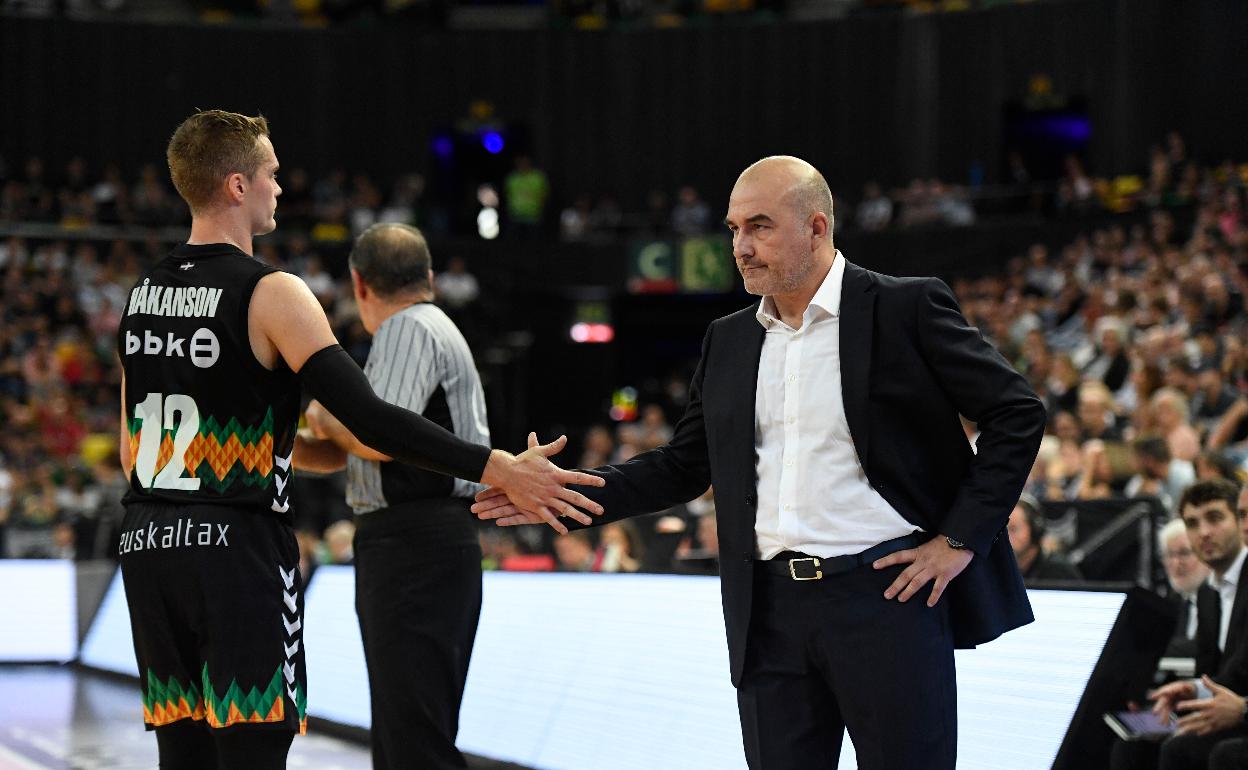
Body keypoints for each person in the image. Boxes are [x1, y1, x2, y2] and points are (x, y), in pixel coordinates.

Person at [475, 155, 1046, 769]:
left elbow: (1017, 413)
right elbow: (683, 466)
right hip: (768, 610)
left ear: (817, 228)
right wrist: (563, 492)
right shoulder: (730, 338)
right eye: (733, 229)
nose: (741, 247)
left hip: (886, 599)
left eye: (760, 227)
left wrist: (960, 538)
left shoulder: (905, 308)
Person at [116, 110, 603, 770]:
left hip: (148, 541)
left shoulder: (143, 293)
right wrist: (494, 464)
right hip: (236, 549)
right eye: (271, 175)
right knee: (254, 746)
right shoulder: (271, 291)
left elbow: (130, 451)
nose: (279, 189)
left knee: (184, 753)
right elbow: (372, 420)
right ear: (237, 186)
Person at [294, 222, 491, 769]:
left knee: (412, 738)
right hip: (421, 542)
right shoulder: (430, 326)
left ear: (359, 284)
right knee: (414, 728)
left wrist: (324, 413)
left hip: (414, 544)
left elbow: (379, 437)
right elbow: (356, 448)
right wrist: (276, 439)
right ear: (428, 276)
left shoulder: (407, 328)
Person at [1112, 479, 1248, 770]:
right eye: (1192, 523)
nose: (1204, 533)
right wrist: (1189, 691)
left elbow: (1239, 676)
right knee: (1132, 742)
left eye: (1215, 518)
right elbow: (1215, 675)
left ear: (1239, 521)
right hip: (1225, 713)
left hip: (1241, 717)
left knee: (1188, 749)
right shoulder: (1207, 593)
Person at [1158, 517, 1209, 659]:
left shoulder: (1222, 596)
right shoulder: (1175, 601)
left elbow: (1204, 647)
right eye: (1169, 554)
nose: (1175, 563)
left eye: (1184, 553)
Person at [1007, 494, 1081, 582]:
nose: (1005, 538)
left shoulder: (1059, 572)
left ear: (1035, 530)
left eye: (1013, 529)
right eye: (1002, 531)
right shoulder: (998, 569)